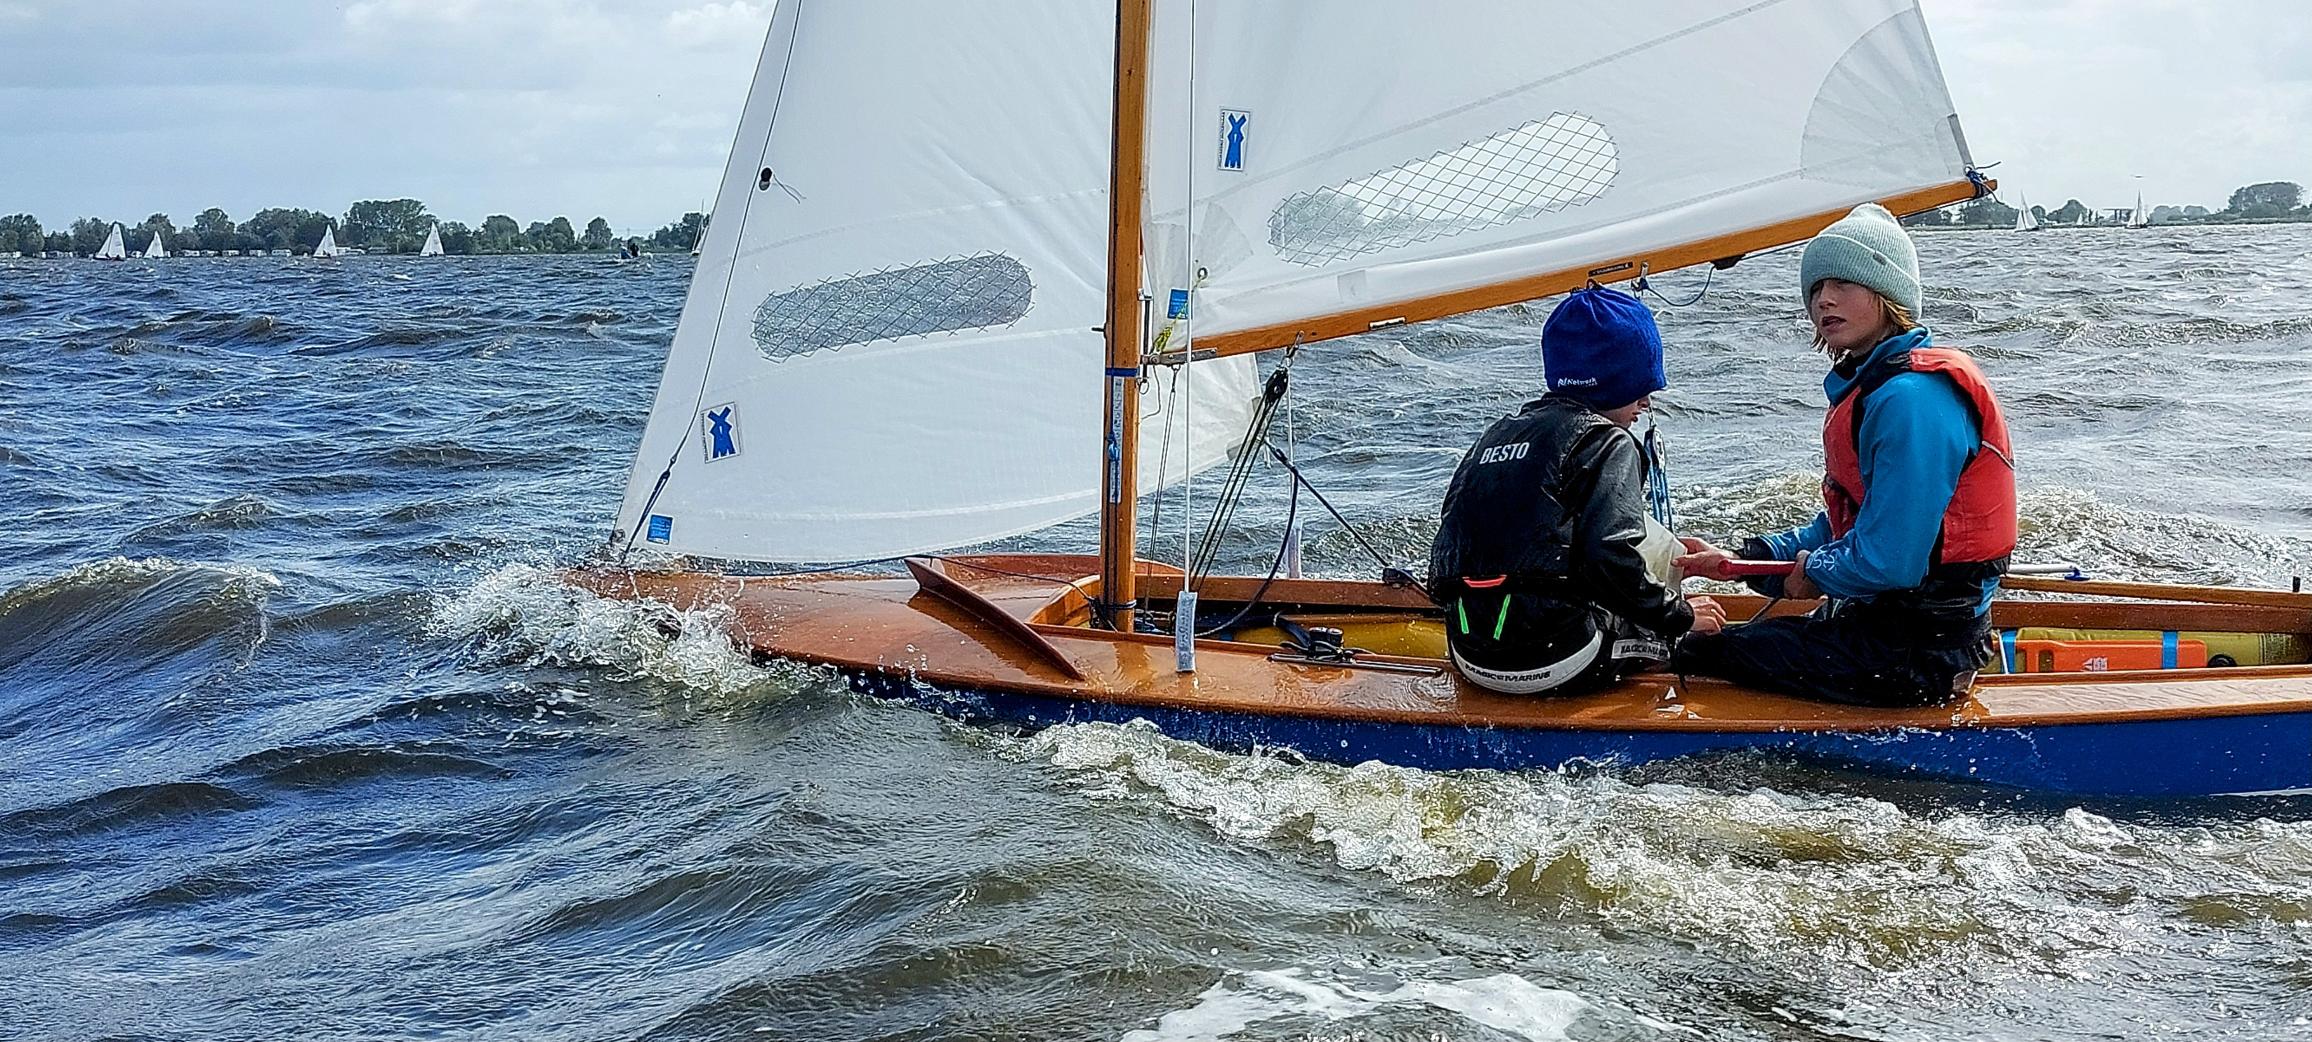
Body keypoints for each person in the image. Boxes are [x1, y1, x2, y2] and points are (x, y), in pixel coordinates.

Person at [1674, 203, 2017, 706]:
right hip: (1889, 627)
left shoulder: (1910, 401)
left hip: (1921, 653)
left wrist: (1810, 572)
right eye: (1815, 288)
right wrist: (1741, 561)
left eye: (1843, 284)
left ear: (1888, 294)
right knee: (1731, 644)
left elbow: (1890, 562)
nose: (1824, 300)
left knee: (1692, 652)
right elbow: (1849, 527)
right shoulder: (1878, 388)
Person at [1429, 286, 1727, 695]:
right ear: (1614, 379)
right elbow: (1609, 559)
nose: (1645, 403)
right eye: (1642, 388)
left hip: (1469, 657)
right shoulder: (1610, 442)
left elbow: (1444, 562)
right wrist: (1680, 616)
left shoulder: (1495, 436)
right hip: (1561, 661)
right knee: (1695, 640)